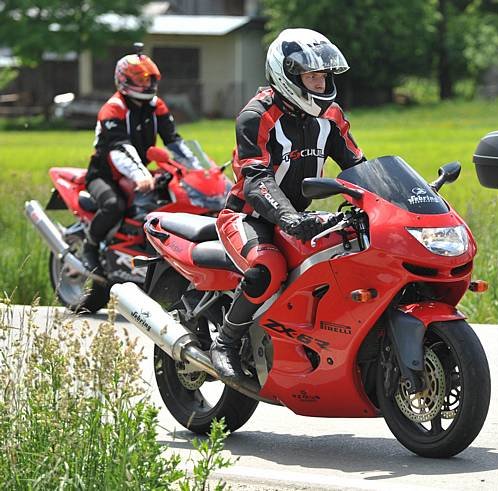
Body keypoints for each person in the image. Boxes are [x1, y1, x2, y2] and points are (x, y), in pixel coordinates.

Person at [211, 28, 365, 383]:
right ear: (288, 76)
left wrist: (391, 200)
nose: (321, 83)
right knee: (267, 267)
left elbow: (358, 167)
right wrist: (287, 217)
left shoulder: (331, 116)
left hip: (298, 216)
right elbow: (256, 179)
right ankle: (225, 342)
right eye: (312, 76)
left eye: (323, 76)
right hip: (248, 216)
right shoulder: (257, 116)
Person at [84, 44, 198, 271]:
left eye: (150, 79)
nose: (147, 84)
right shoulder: (113, 109)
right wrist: (140, 174)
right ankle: (90, 247)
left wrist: (198, 169)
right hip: (105, 174)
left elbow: (174, 140)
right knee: (113, 205)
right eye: (141, 79)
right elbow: (119, 148)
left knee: (171, 201)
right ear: (124, 79)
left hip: (140, 173)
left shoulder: (156, 106)